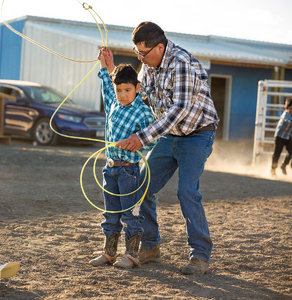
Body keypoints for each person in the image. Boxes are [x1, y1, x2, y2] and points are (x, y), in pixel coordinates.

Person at [106, 22, 219, 275]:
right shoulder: (148, 65)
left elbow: (178, 111)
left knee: (187, 192)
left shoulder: (182, 64)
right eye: (137, 53)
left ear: (159, 47)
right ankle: (151, 246)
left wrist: (142, 137)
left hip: (198, 134)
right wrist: (111, 70)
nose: (140, 58)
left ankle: (199, 256)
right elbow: (138, 94)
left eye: (143, 53)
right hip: (169, 135)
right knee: (142, 184)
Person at [89, 50, 155, 269]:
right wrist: (106, 65)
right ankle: (109, 252)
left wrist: (135, 142)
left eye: (128, 89)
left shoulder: (143, 112)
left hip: (130, 171)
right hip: (110, 169)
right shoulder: (113, 104)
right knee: (110, 213)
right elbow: (106, 86)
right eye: (119, 90)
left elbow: (152, 140)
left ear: (137, 88)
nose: (123, 94)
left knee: (131, 213)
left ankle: (132, 254)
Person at [270, 97, 292, 176]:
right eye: (290, 108)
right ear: (287, 108)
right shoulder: (285, 114)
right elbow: (290, 120)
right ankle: (273, 169)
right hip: (280, 136)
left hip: (287, 137)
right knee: (277, 153)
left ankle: (284, 165)